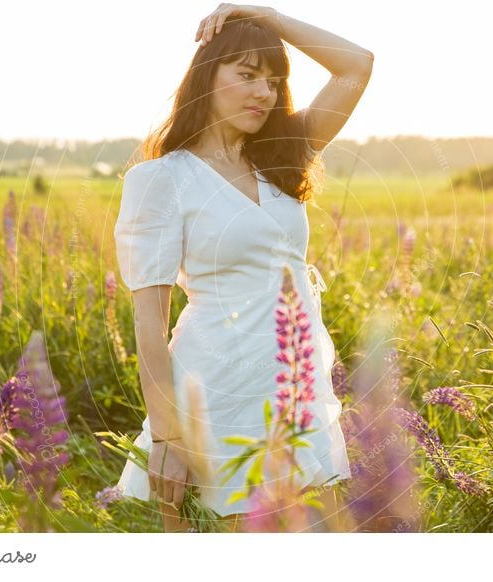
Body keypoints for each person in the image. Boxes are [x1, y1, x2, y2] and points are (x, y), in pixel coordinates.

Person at [114, 3, 373, 532]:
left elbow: (356, 64)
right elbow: (149, 322)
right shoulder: (161, 179)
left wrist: (269, 17)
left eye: (274, 80)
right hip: (213, 393)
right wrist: (166, 439)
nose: (265, 92)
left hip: (293, 386)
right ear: (207, 76)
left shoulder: (284, 156)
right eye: (248, 75)